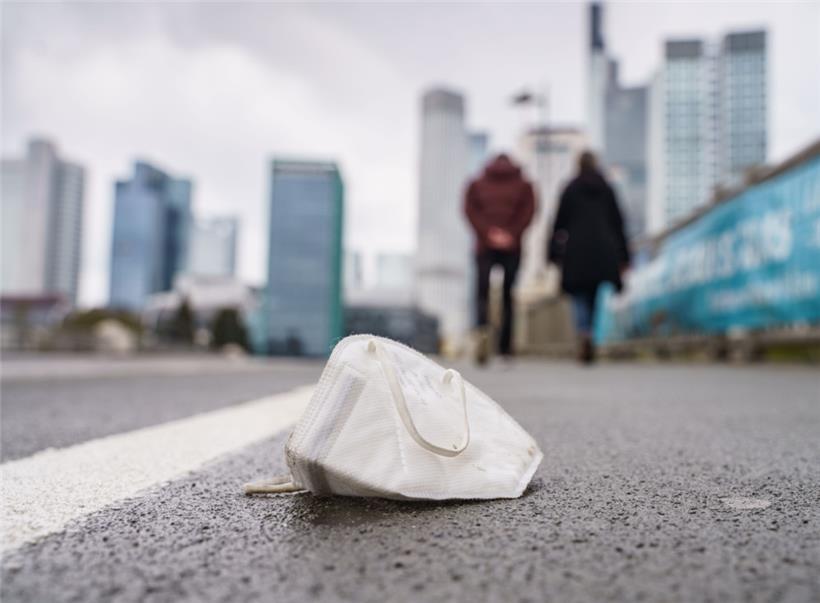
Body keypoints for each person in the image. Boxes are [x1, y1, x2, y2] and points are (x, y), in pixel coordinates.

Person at [548, 150, 630, 364]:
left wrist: (552, 253)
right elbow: (618, 224)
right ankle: (591, 333)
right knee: (594, 295)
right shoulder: (607, 189)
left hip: (576, 251)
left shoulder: (570, 188)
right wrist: (624, 257)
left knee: (578, 296)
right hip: (602, 251)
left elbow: (558, 224)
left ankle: (583, 332)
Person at [464, 153, 536, 365]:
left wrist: (488, 233)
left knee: (482, 293)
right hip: (513, 247)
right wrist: (511, 234)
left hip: (484, 246)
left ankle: (482, 334)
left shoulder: (476, 183)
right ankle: (505, 348)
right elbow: (529, 212)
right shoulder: (525, 185)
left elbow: (469, 211)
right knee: (508, 296)